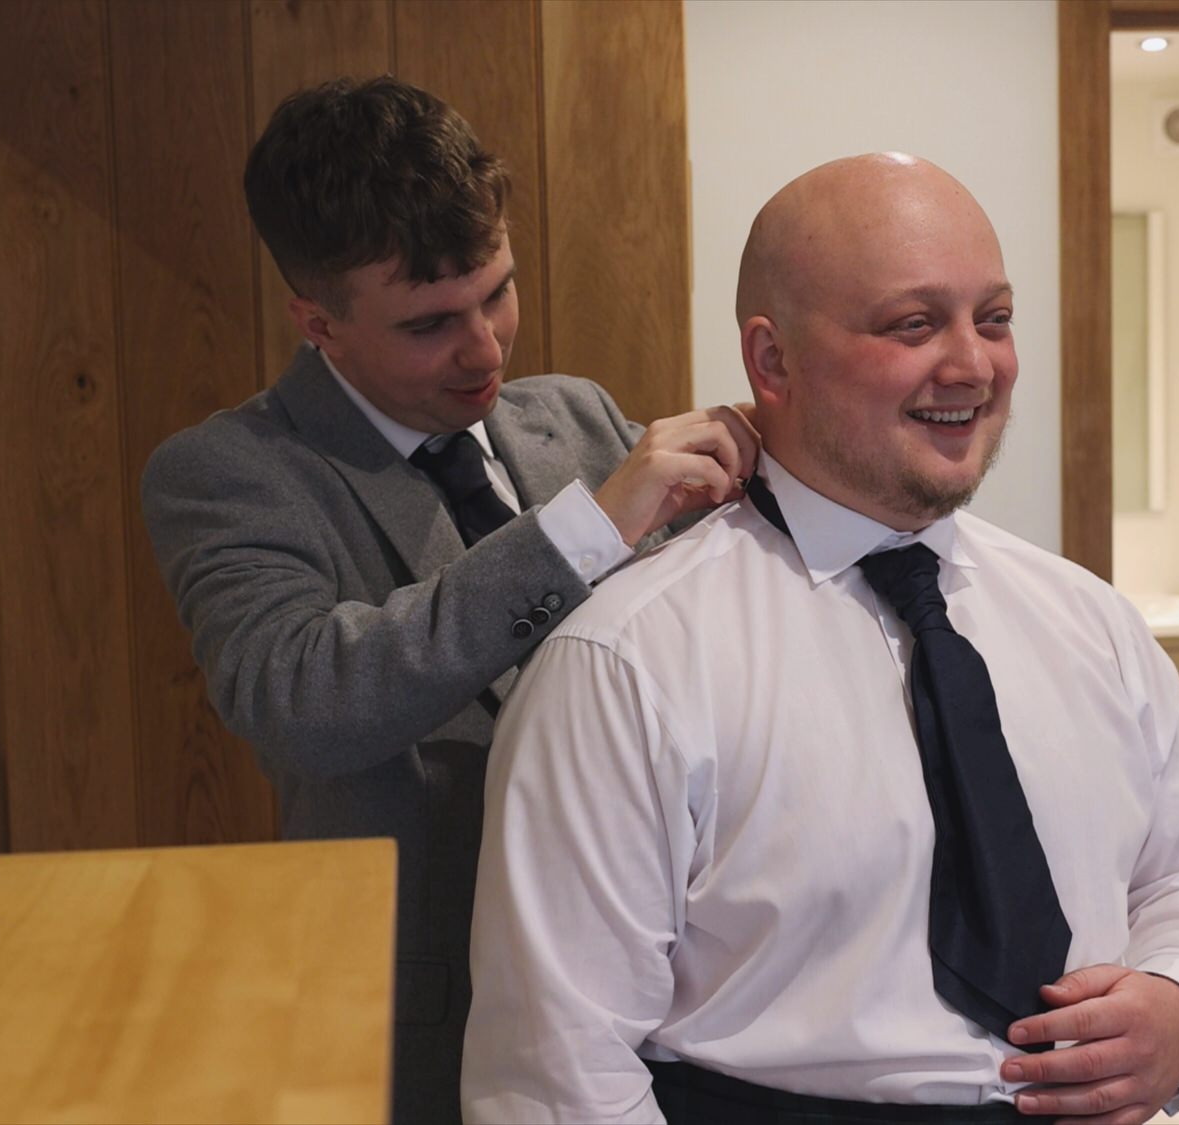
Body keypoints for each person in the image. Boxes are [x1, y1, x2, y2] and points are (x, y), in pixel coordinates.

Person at [461, 153, 1179, 1124]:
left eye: (994, 318)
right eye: (913, 324)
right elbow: (558, 1070)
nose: (973, 365)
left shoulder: (1087, 621)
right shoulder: (628, 665)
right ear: (771, 362)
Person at [139, 77, 758, 1123]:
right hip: (420, 1032)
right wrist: (581, 533)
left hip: (673, 1010)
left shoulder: (579, 420)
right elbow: (303, 702)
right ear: (316, 321)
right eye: (429, 323)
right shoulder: (228, 472)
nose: (485, 348)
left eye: (498, 291)